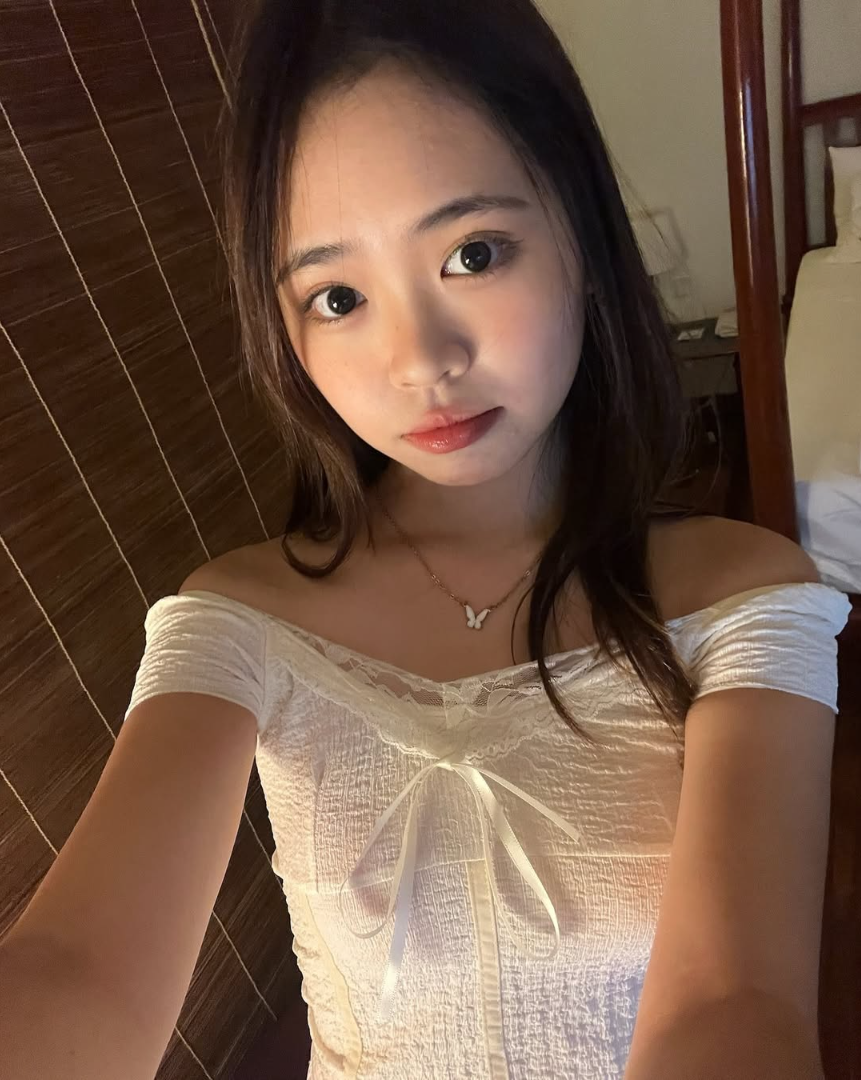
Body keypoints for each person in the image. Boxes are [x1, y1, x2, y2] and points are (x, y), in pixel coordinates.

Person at [0, 1, 851, 1077]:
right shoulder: (239, 619)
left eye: (472, 253)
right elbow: (79, 969)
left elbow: (737, 1003)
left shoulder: (742, 598)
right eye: (337, 296)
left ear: (585, 241)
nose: (419, 361)